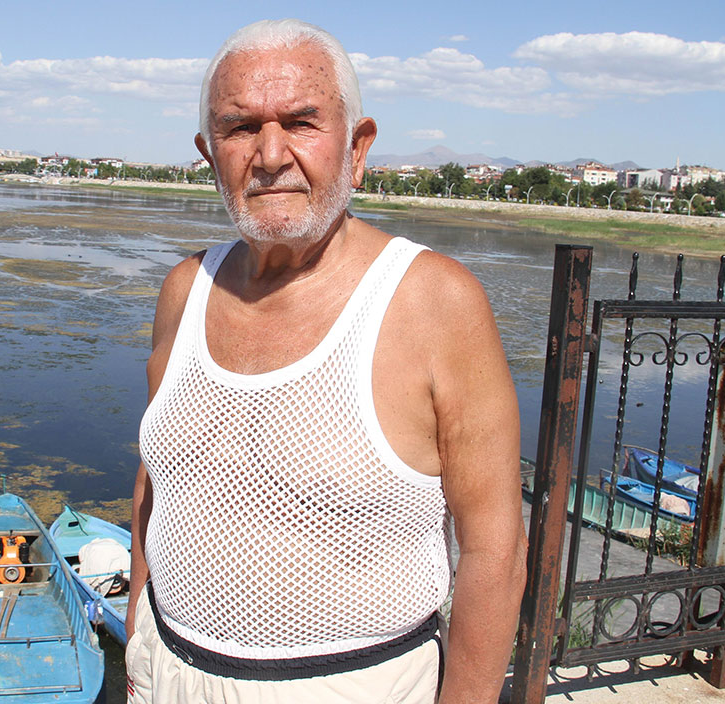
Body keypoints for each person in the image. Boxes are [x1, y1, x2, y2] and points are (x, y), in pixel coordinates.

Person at [128, 18, 526, 704]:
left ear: (357, 146)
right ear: (208, 153)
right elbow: (154, 488)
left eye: (302, 121)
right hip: (168, 676)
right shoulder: (185, 290)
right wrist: (138, 645)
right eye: (240, 127)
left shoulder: (432, 301)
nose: (271, 154)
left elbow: (495, 548)